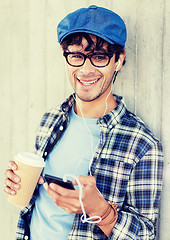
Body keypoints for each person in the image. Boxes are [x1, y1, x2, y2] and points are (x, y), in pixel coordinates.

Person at [4, 5, 163, 240]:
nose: (86, 70)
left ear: (118, 60)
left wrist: (102, 212)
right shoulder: (50, 120)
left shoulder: (142, 144)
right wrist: (20, 184)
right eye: (77, 56)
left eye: (99, 57)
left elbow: (146, 235)